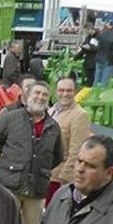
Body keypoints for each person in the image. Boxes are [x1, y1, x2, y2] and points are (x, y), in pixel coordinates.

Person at [0, 81, 62, 224]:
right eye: (37, 93)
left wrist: (40, 170)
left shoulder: (54, 127)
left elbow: (58, 156)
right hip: (8, 187)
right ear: (27, 96)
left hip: (36, 190)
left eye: (44, 95)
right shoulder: (10, 119)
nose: (40, 97)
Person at [46, 77, 91, 205]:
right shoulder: (52, 110)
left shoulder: (79, 115)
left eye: (69, 90)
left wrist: (64, 178)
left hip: (58, 178)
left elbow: (77, 150)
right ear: (55, 92)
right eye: (61, 90)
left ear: (75, 92)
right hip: (46, 174)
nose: (65, 94)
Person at [93, 21, 113, 88]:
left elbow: (95, 43)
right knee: (105, 82)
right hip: (109, 61)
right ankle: (101, 96)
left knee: (96, 80)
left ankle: (93, 94)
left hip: (99, 58)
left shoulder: (103, 33)